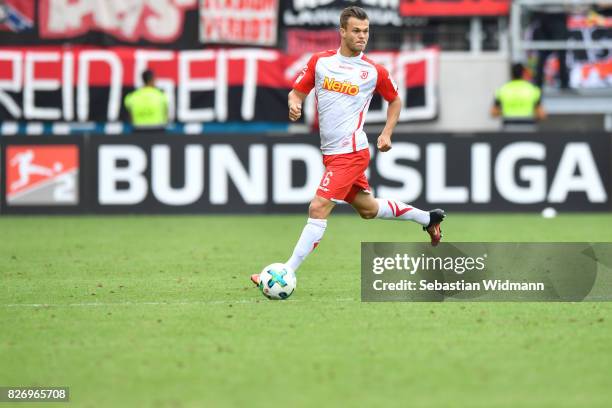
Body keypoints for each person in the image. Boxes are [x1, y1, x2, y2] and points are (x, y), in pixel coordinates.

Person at [251, 6, 445, 284]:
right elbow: (297, 92)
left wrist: (387, 133)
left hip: (351, 153)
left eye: (366, 31)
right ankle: (428, 218)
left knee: (318, 208)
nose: (362, 36)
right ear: (342, 31)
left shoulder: (373, 71)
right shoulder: (320, 62)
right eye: (356, 31)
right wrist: (295, 105)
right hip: (331, 154)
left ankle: (285, 272)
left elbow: (395, 100)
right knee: (368, 209)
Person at [491, 63, 546, 130]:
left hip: (508, 125)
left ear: (511, 74)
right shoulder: (533, 89)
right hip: (528, 125)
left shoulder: (502, 89)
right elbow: (541, 115)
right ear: (523, 74)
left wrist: (505, 112)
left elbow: (493, 113)